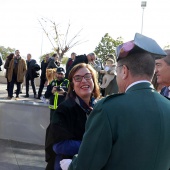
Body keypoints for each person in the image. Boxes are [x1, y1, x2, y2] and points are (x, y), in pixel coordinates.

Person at [60, 33, 170, 170]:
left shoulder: (108, 109)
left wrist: (71, 165)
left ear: (124, 71)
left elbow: (86, 165)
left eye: (117, 71)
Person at [45, 63, 100, 170]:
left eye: (88, 76)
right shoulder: (64, 109)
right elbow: (59, 145)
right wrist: (94, 145)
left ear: (93, 80)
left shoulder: (98, 107)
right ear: (72, 85)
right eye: (78, 78)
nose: (84, 81)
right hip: (66, 163)